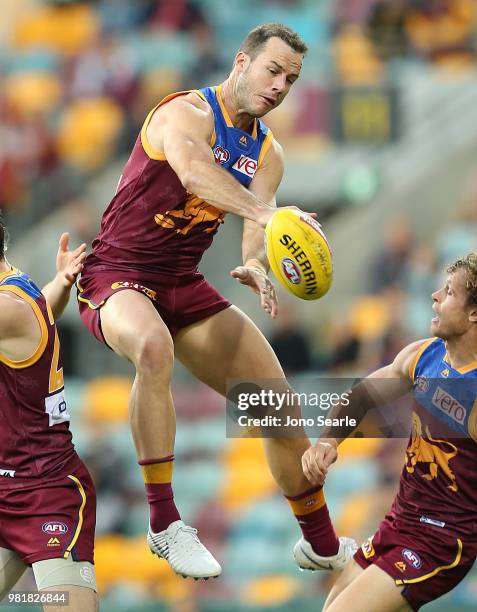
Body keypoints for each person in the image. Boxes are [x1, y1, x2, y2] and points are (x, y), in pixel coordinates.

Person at [76, 22, 356, 579]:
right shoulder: (185, 113)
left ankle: (322, 543)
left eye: (292, 79)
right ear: (241, 62)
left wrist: (254, 260)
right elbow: (196, 173)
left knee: (275, 404)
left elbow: (259, 215)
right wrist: (265, 215)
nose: (280, 86)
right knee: (153, 347)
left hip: (182, 281)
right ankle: (164, 524)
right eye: (273, 70)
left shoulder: (268, 151)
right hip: (117, 276)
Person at [302, 253, 477, 611]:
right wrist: (328, 441)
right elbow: (364, 393)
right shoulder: (425, 355)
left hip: (441, 539)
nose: (435, 297)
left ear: (474, 313)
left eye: (448, 292)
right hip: (399, 522)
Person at [0, 222, 98, 611]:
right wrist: (59, 283)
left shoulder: (10, 307)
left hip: (46, 491)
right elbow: (36, 318)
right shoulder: (20, 294)